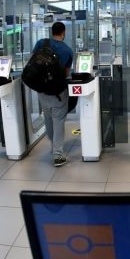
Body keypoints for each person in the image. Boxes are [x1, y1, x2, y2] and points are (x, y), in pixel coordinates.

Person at [33, 21, 74, 167]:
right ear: (63, 32)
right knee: (59, 120)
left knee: (48, 118)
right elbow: (65, 73)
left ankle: (53, 146)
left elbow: (33, 63)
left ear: (52, 32)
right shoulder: (68, 51)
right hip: (58, 92)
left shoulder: (40, 44)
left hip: (41, 90)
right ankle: (58, 155)